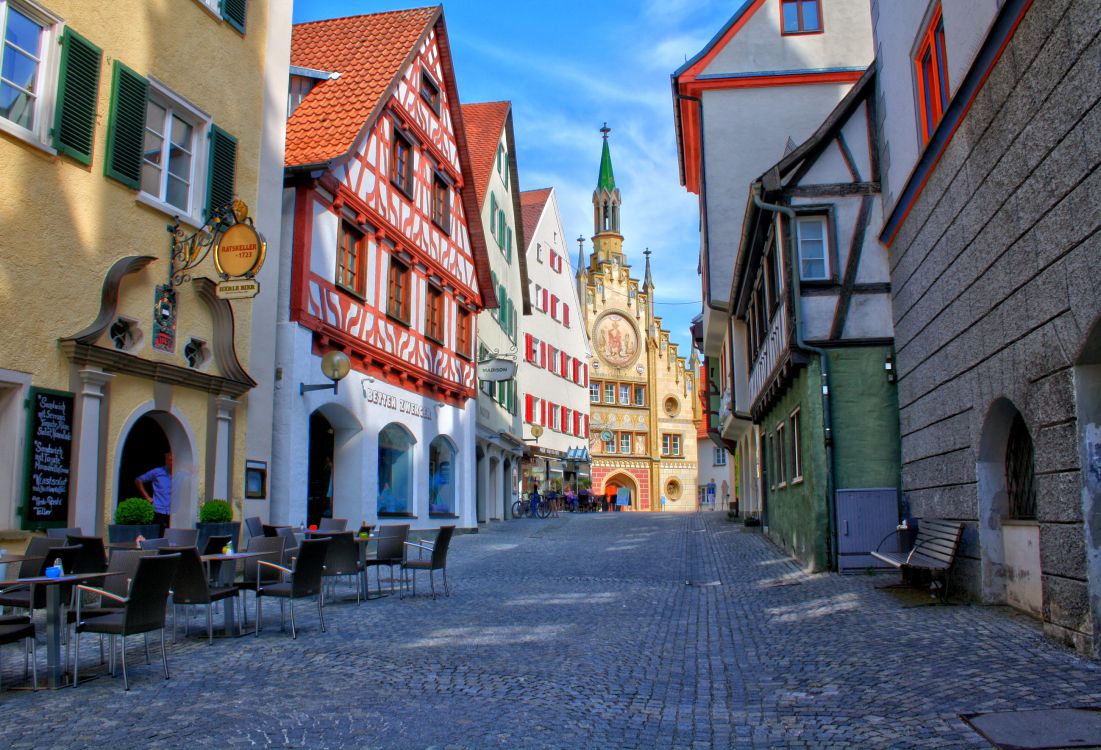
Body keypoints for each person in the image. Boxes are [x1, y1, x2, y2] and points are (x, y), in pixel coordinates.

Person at [135, 451, 173, 536]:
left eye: (173, 460)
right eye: (169, 460)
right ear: (166, 460)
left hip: (174, 512)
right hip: (159, 510)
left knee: (171, 538)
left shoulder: (179, 473)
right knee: (158, 536)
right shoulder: (158, 472)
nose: (172, 462)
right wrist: (147, 497)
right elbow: (138, 480)